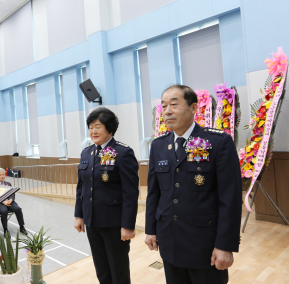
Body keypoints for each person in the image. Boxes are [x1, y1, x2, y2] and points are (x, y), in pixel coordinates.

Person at [144, 85, 242, 284]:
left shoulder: (218, 142)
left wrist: (225, 245)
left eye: (174, 104)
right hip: (169, 242)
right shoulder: (159, 145)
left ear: (193, 107)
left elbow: (230, 198)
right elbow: (154, 193)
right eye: (163, 106)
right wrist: (150, 229)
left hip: (204, 245)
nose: (167, 111)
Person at [74, 107, 139, 284]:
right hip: (92, 221)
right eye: (90, 127)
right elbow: (82, 187)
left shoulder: (123, 153)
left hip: (114, 224)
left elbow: (131, 193)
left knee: (118, 270)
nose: (93, 131)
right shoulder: (87, 152)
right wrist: (79, 215)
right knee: (101, 268)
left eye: (98, 126)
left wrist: (128, 225)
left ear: (110, 129)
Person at [0, 168, 27, 235]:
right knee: (4, 211)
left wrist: (11, 200)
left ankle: (22, 227)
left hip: (9, 202)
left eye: (3, 174)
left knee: (18, 209)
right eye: (0, 175)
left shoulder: (8, 183)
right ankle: (5, 229)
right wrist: (4, 202)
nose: (2, 176)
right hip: (0, 204)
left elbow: (12, 193)